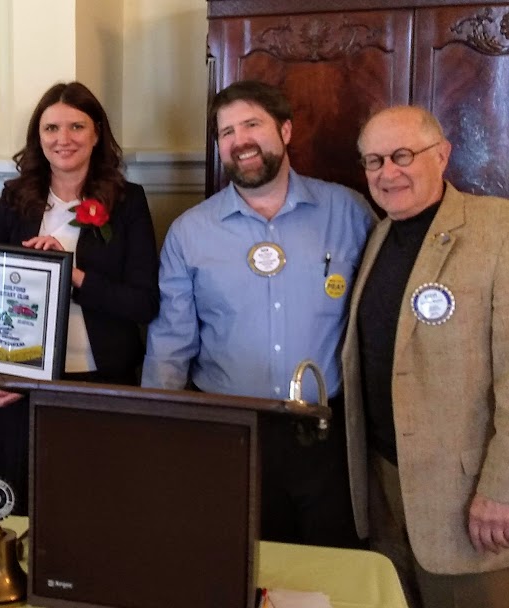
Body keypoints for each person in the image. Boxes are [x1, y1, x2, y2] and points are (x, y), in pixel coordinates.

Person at [343, 105, 509, 608]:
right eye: (373, 160)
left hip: (471, 500)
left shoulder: (505, 230)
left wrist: (506, 489)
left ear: (442, 155)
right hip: (386, 488)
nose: (387, 172)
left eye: (403, 155)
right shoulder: (380, 235)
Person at [141, 80, 374, 548]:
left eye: (252, 124)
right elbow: (172, 340)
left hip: (326, 432)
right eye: (226, 132)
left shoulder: (348, 212)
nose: (239, 140)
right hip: (231, 431)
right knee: (241, 561)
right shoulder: (190, 232)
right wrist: (159, 428)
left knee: (329, 566)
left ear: (285, 130)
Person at [0, 81, 160, 515]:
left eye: (76, 126)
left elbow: (143, 303)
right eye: (51, 128)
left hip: (101, 383)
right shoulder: (14, 198)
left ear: (96, 132)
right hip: (24, 385)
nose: (64, 139)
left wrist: (74, 274)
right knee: (19, 511)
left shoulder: (128, 201)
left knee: (97, 510)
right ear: (38, 137)